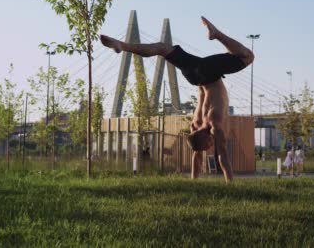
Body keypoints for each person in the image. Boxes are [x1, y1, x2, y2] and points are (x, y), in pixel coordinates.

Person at [101, 16, 254, 183]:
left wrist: (229, 182)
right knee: (163, 48)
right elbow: (197, 157)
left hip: (208, 72)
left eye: (208, 145)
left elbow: (222, 155)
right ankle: (122, 46)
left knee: (248, 56)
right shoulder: (194, 125)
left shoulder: (213, 123)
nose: (211, 146)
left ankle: (216, 34)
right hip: (193, 76)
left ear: (204, 137)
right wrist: (193, 180)